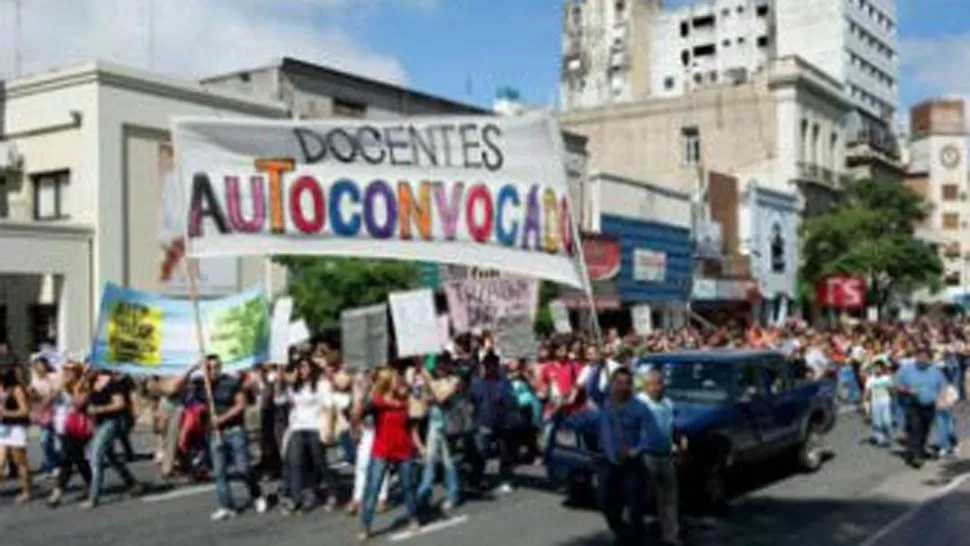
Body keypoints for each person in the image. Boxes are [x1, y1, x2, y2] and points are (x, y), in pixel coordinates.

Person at [558, 364, 654, 546]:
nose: (622, 387)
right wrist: (597, 367)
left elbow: (649, 435)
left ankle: (634, 539)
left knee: (634, 508)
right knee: (606, 504)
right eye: (618, 383)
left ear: (631, 386)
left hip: (631, 464)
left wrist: (634, 451)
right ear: (612, 384)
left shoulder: (640, 408)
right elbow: (591, 387)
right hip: (608, 463)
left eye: (626, 383)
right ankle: (621, 532)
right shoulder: (605, 403)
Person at [193, 355, 268, 520]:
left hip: (234, 431)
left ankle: (256, 494)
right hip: (215, 434)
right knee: (219, 472)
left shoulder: (231, 383)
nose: (213, 371)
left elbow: (241, 405)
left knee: (244, 468)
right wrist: (192, 368)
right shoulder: (201, 386)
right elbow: (175, 388)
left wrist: (221, 419)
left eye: (216, 367)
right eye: (209, 368)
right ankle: (227, 506)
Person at [359, 367, 419, 541]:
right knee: (373, 488)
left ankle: (413, 517)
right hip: (382, 450)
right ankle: (365, 525)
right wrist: (365, 391)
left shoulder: (404, 400)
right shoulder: (377, 402)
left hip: (403, 448)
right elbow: (363, 411)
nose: (398, 380)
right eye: (395, 378)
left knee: (408, 486)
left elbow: (410, 425)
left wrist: (418, 446)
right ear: (387, 382)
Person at [280, 356, 338, 514]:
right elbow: (284, 401)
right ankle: (296, 498)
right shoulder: (295, 387)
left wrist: (329, 430)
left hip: (315, 426)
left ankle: (332, 494)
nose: (302, 371)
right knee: (295, 462)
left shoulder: (321, 384)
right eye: (299, 368)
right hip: (298, 427)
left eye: (305, 367)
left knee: (320, 463)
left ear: (312, 368)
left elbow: (329, 407)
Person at [84, 368, 143, 509]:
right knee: (111, 456)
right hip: (99, 424)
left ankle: (94, 497)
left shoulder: (112, 383)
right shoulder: (93, 382)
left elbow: (120, 403)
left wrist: (99, 409)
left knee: (96, 456)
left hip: (112, 422)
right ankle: (132, 483)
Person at [637, 369, 682, 546]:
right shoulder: (640, 403)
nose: (659, 387)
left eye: (661, 383)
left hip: (665, 455)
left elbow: (672, 427)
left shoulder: (667, 403)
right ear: (647, 386)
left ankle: (670, 534)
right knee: (642, 497)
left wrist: (677, 443)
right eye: (656, 384)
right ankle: (634, 532)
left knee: (669, 498)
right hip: (646, 456)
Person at [416, 353, 463, 514]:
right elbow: (425, 400)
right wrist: (426, 390)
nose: (440, 368)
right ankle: (423, 495)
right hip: (434, 425)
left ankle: (453, 494)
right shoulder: (434, 381)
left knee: (449, 462)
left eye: (444, 364)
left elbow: (442, 397)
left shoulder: (455, 380)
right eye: (438, 364)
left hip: (449, 426)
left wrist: (429, 382)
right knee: (429, 460)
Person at [468, 351, 519, 494]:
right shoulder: (477, 384)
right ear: (483, 367)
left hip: (503, 423)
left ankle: (506, 479)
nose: (491, 368)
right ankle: (476, 481)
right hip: (484, 422)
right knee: (480, 454)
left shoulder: (504, 383)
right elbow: (472, 403)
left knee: (505, 453)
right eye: (488, 365)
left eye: (494, 365)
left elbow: (511, 401)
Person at [48, 364, 93, 506]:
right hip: (67, 426)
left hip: (81, 427)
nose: (67, 373)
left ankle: (58, 492)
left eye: (70, 371)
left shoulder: (83, 385)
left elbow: (79, 403)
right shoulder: (64, 386)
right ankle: (92, 483)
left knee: (67, 458)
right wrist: (61, 387)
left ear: (77, 372)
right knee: (77, 458)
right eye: (65, 371)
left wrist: (72, 389)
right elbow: (48, 400)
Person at [896, 347, 947, 468]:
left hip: (929, 405)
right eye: (920, 357)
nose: (922, 360)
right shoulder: (906, 370)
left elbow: (943, 387)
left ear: (929, 359)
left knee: (924, 430)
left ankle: (919, 450)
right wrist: (907, 390)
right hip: (913, 405)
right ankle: (916, 456)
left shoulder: (935, 371)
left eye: (925, 357)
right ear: (916, 357)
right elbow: (897, 385)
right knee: (915, 429)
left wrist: (942, 400)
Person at [0, 364, 32, 503]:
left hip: (17, 428)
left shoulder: (17, 390)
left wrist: (6, 413)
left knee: (20, 462)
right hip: (4, 428)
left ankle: (26, 491)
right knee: (0, 462)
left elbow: (24, 411)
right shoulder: (4, 389)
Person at [864, 360, 895, 448]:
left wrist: (893, 395)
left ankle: (887, 436)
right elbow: (867, 391)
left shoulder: (886, 378)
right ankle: (880, 439)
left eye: (879, 368)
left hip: (885, 402)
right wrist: (865, 402)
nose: (877, 370)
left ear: (883, 369)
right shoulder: (870, 379)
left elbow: (892, 390)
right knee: (877, 421)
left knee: (886, 421)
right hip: (875, 402)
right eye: (875, 368)